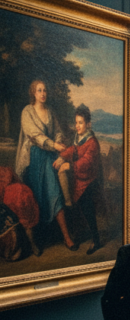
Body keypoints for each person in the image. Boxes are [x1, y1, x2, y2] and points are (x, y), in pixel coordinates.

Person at [15, 80, 75, 252]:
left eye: (45, 90)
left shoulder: (50, 111)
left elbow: (57, 131)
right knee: (36, 196)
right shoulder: (27, 111)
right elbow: (33, 135)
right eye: (39, 90)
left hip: (49, 157)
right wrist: (53, 145)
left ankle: (66, 237)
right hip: (34, 158)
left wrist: (57, 142)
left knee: (54, 192)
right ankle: (38, 241)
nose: (43, 93)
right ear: (33, 93)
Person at [54, 104, 105, 254]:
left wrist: (69, 166)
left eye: (80, 123)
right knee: (77, 209)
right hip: (79, 180)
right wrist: (62, 157)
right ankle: (79, 234)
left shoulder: (92, 142)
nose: (77, 126)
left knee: (88, 210)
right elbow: (73, 150)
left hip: (90, 181)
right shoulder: (79, 139)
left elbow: (87, 162)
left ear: (88, 124)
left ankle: (96, 240)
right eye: (76, 122)